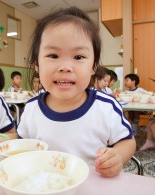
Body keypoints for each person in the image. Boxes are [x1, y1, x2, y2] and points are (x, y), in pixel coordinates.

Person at [17, 7, 136, 177]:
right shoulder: (31, 109)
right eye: (53, 55)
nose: (65, 67)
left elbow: (127, 141)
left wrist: (117, 156)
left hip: (94, 187)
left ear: (94, 66)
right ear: (37, 64)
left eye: (78, 57)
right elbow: (22, 145)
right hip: (44, 187)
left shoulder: (105, 107)